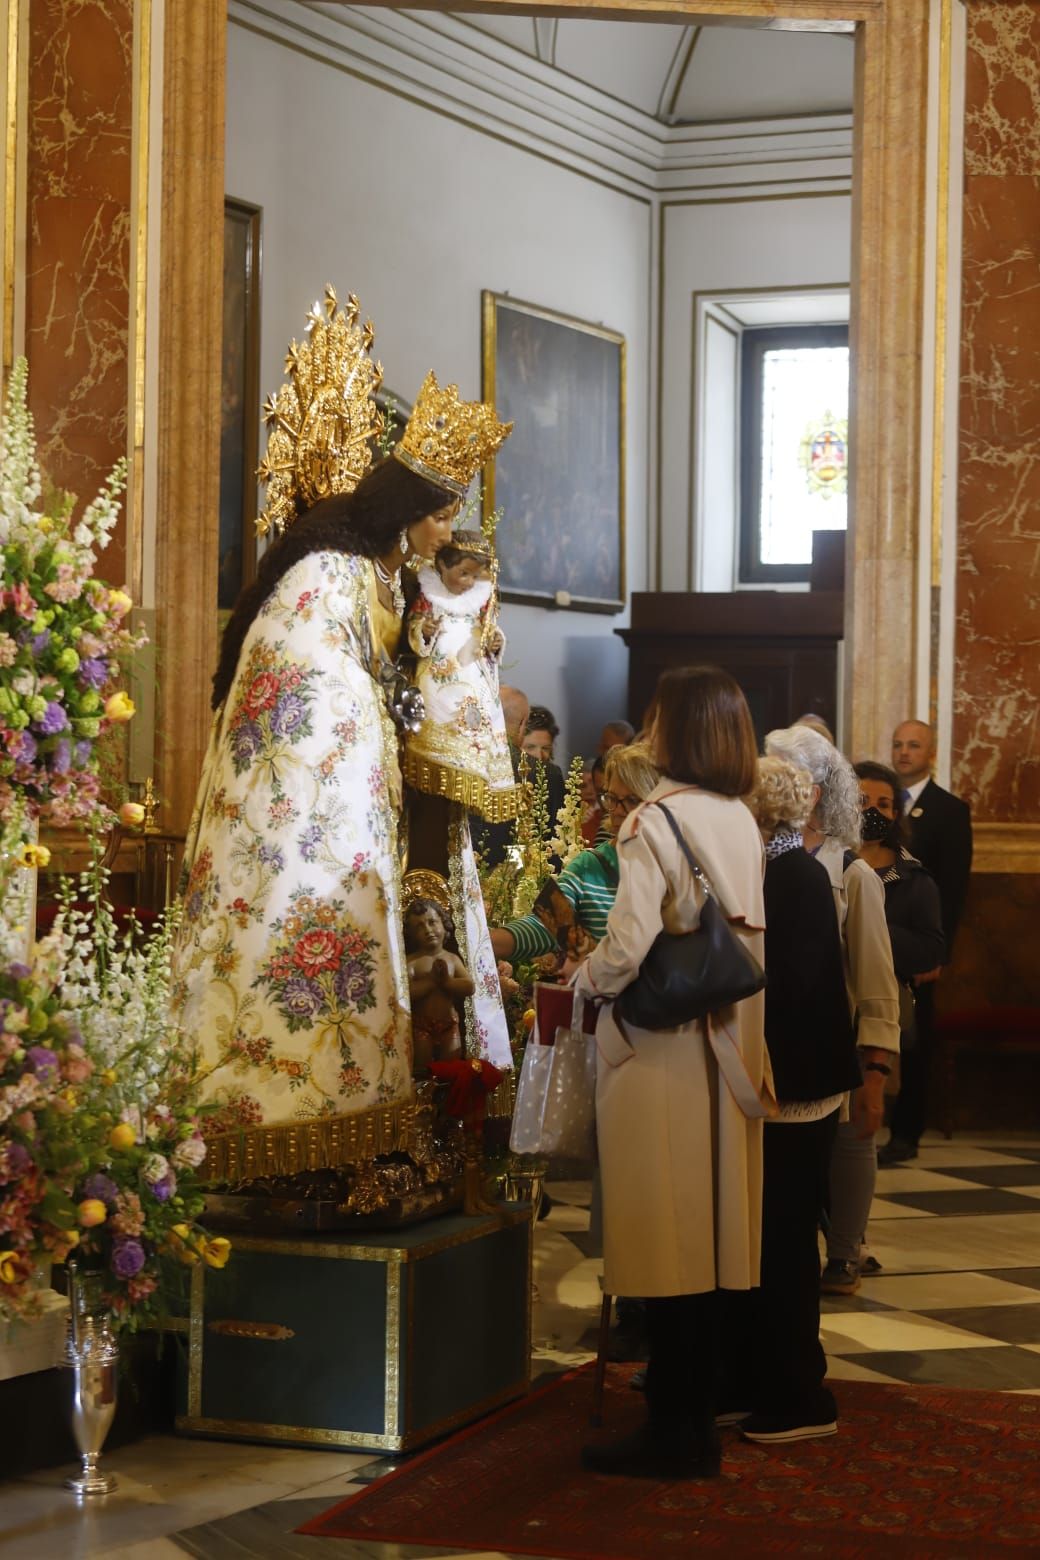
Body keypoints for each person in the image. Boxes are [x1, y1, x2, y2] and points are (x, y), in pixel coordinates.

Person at [171, 340, 512, 1177]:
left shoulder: (381, 575)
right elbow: (312, 691)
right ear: (404, 506)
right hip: (303, 812)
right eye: (437, 512)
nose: (443, 531)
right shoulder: (327, 567)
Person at [578, 666, 772, 1480]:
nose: (647, 731)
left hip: (662, 1049)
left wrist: (582, 983)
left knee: (662, 1236)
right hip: (727, 1045)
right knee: (710, 1232)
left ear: (678, 728)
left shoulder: (651, 822)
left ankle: (671, 1429)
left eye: (656, 716)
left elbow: (626, 945)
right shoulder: (742, 819)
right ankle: (694, 1420)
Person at [731, 756, 861, 1444]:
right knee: (762, 1238)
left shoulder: (796, 878)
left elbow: (796, 985)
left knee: (784, 1240)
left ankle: (799, 1394)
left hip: (798, 1085)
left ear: (759, 814)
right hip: (776, 1081)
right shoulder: (773, 874)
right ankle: (758, 1376)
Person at [764, 725, 900, 1298]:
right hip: (776, 1049)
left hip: (833, 1046)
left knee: (845, 1156)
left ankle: (844, 1252)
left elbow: (875, 981)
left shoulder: (853, 872)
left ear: (812, 791)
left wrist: (875, 1071)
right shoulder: (761, 859)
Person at [882, 719, 973, 1164]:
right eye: (898, 745)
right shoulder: (879, 804)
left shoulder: (950, 810)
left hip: (920, 941)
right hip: (879, 934)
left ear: (930, 753)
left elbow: (954, 890)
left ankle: (907, 1132)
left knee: (915, 1037)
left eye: (913, 746)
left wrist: (939, 952)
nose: (903, 753)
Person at [490, 742, 660, 972]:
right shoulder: (590, 867)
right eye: (611, 798)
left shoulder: (676, 867)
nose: (618, 810)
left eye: (632, 801)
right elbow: (544, 927)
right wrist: (484, 941)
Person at [402, 529, 516, 822]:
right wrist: (422, 631)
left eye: (475, 576)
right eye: (463, 573)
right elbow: (414, 628)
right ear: (442, 566)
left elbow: (487, 631)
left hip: (474, 681)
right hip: (439, 683)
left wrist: (495, 643)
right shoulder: (429, 594)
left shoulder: (481, 599)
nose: (469, 583)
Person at [854, 759, 945, 1071]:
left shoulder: (914, 879)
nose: (872, 813)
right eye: (862, 802)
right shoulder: (823, 867)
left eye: (883, 805)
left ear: (895, 814)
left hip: (885, 1021)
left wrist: (869, 930)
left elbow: (929, 952)